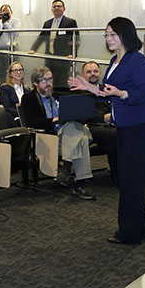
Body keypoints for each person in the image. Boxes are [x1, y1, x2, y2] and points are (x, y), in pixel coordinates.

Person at [69, 17, 145, 245]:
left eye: (112, 34)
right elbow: (108, 91)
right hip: (124, 125)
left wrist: (121, 93)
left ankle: (130, 233)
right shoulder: (116, 60)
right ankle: (135, 230)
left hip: (137, 125)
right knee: (128, 180)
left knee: (131, 181)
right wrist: (89, 87)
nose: (108, 39)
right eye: (106, 35)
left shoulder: (136, 61)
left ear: (125, 35)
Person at [20, 66, 95, 200]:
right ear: (36, 83)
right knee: (81, 139)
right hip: (51, 138)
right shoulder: (29, 98)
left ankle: (66, 168)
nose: (48, 83)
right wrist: (54, 120)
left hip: (68, 136)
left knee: (72, 125)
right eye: (44, 80)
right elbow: (32, 122)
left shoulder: (58, 96)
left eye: (50, 79)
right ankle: (79, 182)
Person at [80, 61, 145, 187]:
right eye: (88, 72)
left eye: (95, 71)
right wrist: (104, 118)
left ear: (100, 73)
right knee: (116, 134)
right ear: (83, 75)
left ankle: (144, 173)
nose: (93, 74)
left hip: (116, 122)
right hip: (94, 126)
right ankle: (118, 176)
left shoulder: (106, 89)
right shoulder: (80, 92)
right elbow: (81, 115)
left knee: (141, 129)